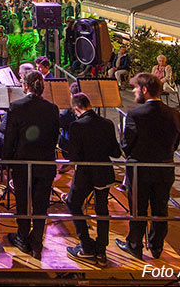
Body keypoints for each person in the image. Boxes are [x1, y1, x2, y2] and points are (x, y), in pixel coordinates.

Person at [115, 73, 180, 261]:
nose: (134, 91)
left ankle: (134, 244)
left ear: (144, 90)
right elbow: (176, 141)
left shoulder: (135, 114)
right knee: (161, 208)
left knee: (138, 208)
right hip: (164, 169)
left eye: (136, 88)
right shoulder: (173, 113)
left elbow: (127, 145)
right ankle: (156, 247)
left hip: (140, 169)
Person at [2, 70, 60, 260]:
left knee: (23, 202)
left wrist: (6, 161)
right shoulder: (52, 108)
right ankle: (37, 242)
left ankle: (22, 237)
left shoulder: (16, 107)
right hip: (45, 162)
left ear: (25, 86)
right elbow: (54, 138)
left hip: (23, 162)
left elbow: (10, 138)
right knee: (41, 204)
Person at [65, 93, 121, 265]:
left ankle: (86, 246)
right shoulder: (107, 123)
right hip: (104, 172)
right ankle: (101, 251)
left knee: (73, 203)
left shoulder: (76, 125)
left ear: (76, 109)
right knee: (102, 209)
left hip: (85, 174)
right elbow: (116, 153)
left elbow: (74, 156)